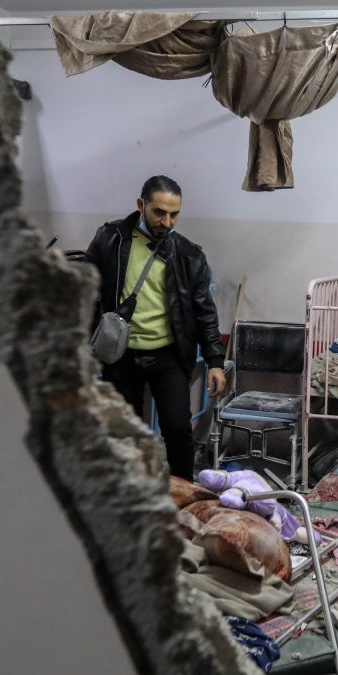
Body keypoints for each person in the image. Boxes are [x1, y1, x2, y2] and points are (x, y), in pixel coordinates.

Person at [83, 175, 227, 478]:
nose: (167, 221)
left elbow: (204, 311)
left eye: (174, 214)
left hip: (168, 354)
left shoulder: (189, 255)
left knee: (177, 428)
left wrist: (215, 360)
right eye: (159, 212)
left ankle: (184, 494)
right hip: (120, 354)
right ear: (141, 205)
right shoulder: (110, 239)